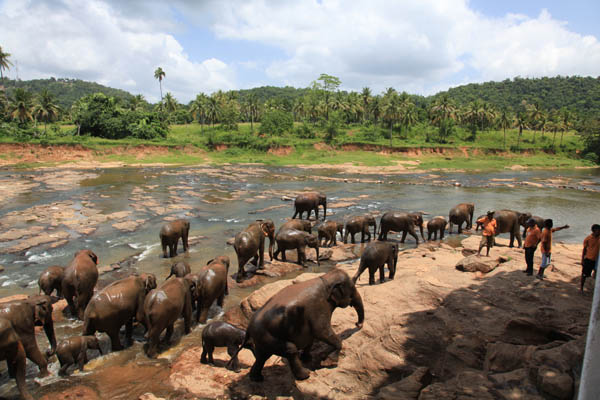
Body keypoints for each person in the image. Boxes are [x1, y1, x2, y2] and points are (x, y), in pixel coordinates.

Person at [581, 224, 600, 293]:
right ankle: (581, 288)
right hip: (589, 259)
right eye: (598, 230)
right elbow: (584, 249)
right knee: (584, 274)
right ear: (594, 231)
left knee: (597, 274)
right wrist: (582, 259)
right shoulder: (588, 238)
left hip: (597, 260)